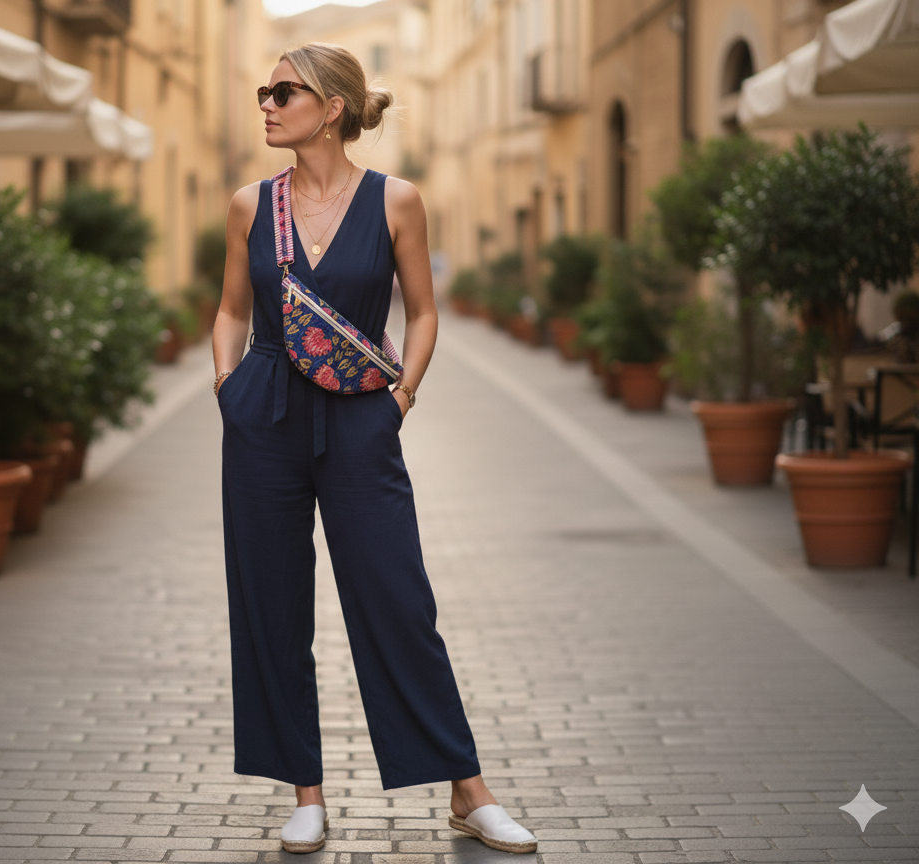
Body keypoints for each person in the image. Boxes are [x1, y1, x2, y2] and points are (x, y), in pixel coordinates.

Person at [210, 42, 537, 856]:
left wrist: (401, 396)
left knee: (397, 599)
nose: (268, 103)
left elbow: (423, 313)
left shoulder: (397, 201)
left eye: (285, 92)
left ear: (333, 108)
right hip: (266, 419)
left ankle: (468, 790)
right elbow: (226, 311)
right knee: (272, 607)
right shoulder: (251, 204)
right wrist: (227, 390)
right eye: (264, 91)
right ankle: (307, 795)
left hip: (362, 419)